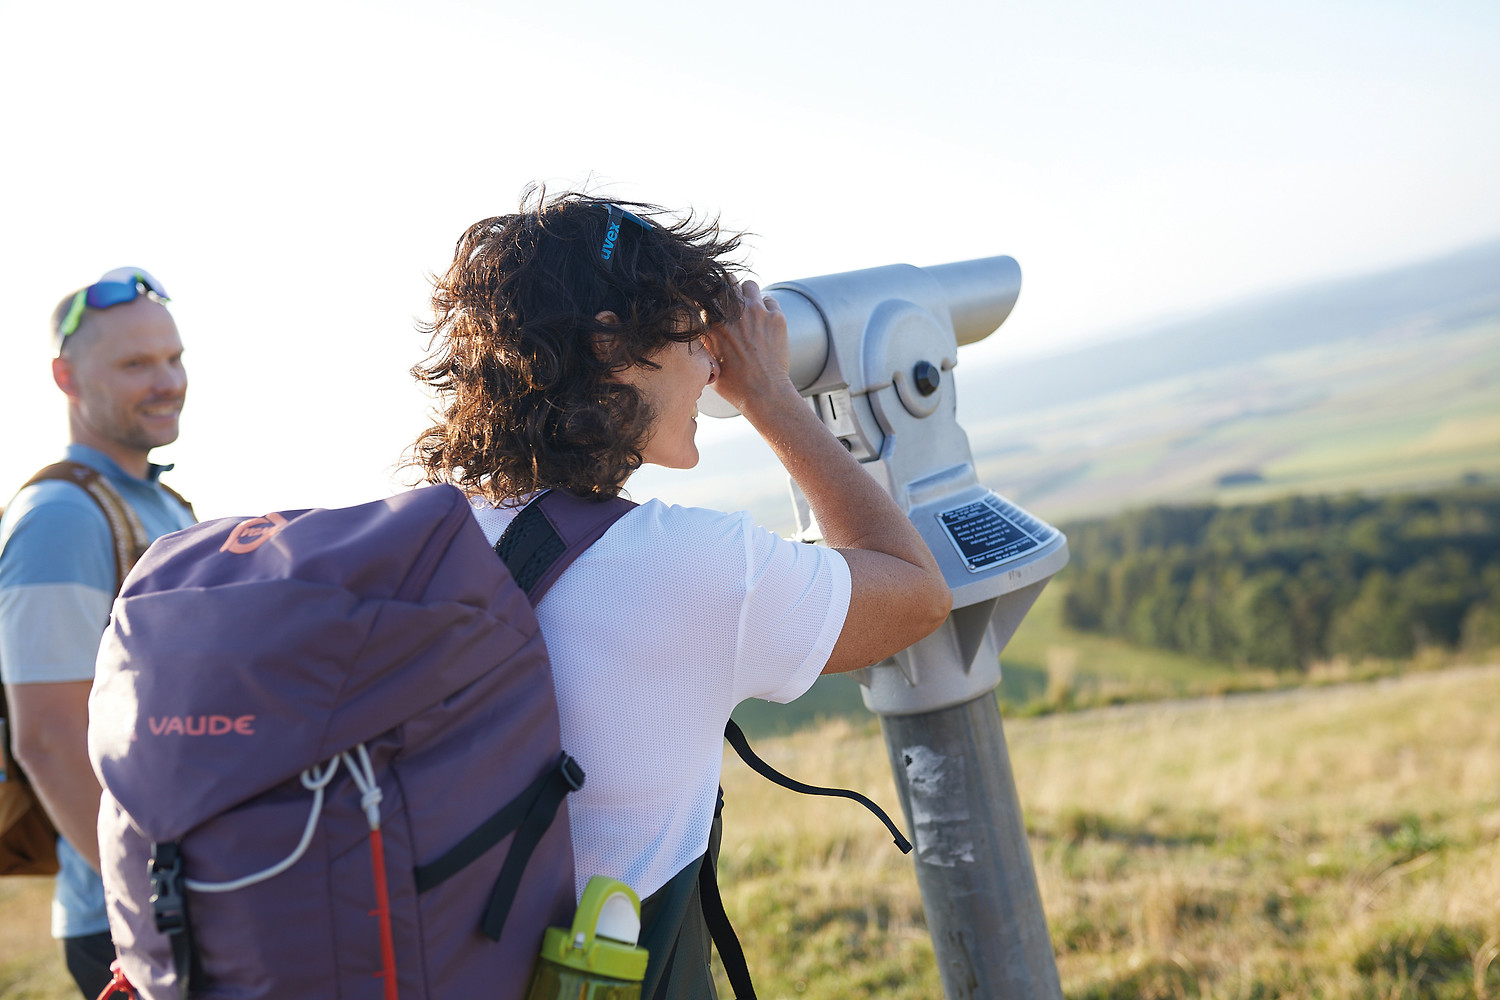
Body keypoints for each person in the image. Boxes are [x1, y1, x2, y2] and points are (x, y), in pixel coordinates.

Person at [410, 191, 952, 994]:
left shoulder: (415, 542)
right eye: (692, 337)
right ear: (611, 344)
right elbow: (914, 592)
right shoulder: (686, 568)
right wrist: (769, 394)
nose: (710, 364)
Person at [0, 267, 194, 999]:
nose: (167, 381)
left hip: (181, 896)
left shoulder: (164, 506)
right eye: (135, 364)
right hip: (130, 919)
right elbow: (46, 737)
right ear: (66, 378)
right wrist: (149, 913)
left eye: (173, 359)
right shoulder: (61, 518)